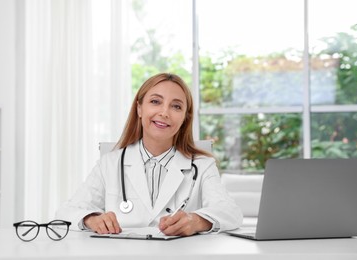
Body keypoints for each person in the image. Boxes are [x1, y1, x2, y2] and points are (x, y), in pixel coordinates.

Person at [56, 72, 243, 236]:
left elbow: (231, 213)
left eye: (176, 106)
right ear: (139, 108)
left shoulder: (202, 165)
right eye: (155, 102)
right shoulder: (110, 163)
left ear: (185, 117)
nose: (164, 113)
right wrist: (91, 218)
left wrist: (196, 221)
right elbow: (66, 211)